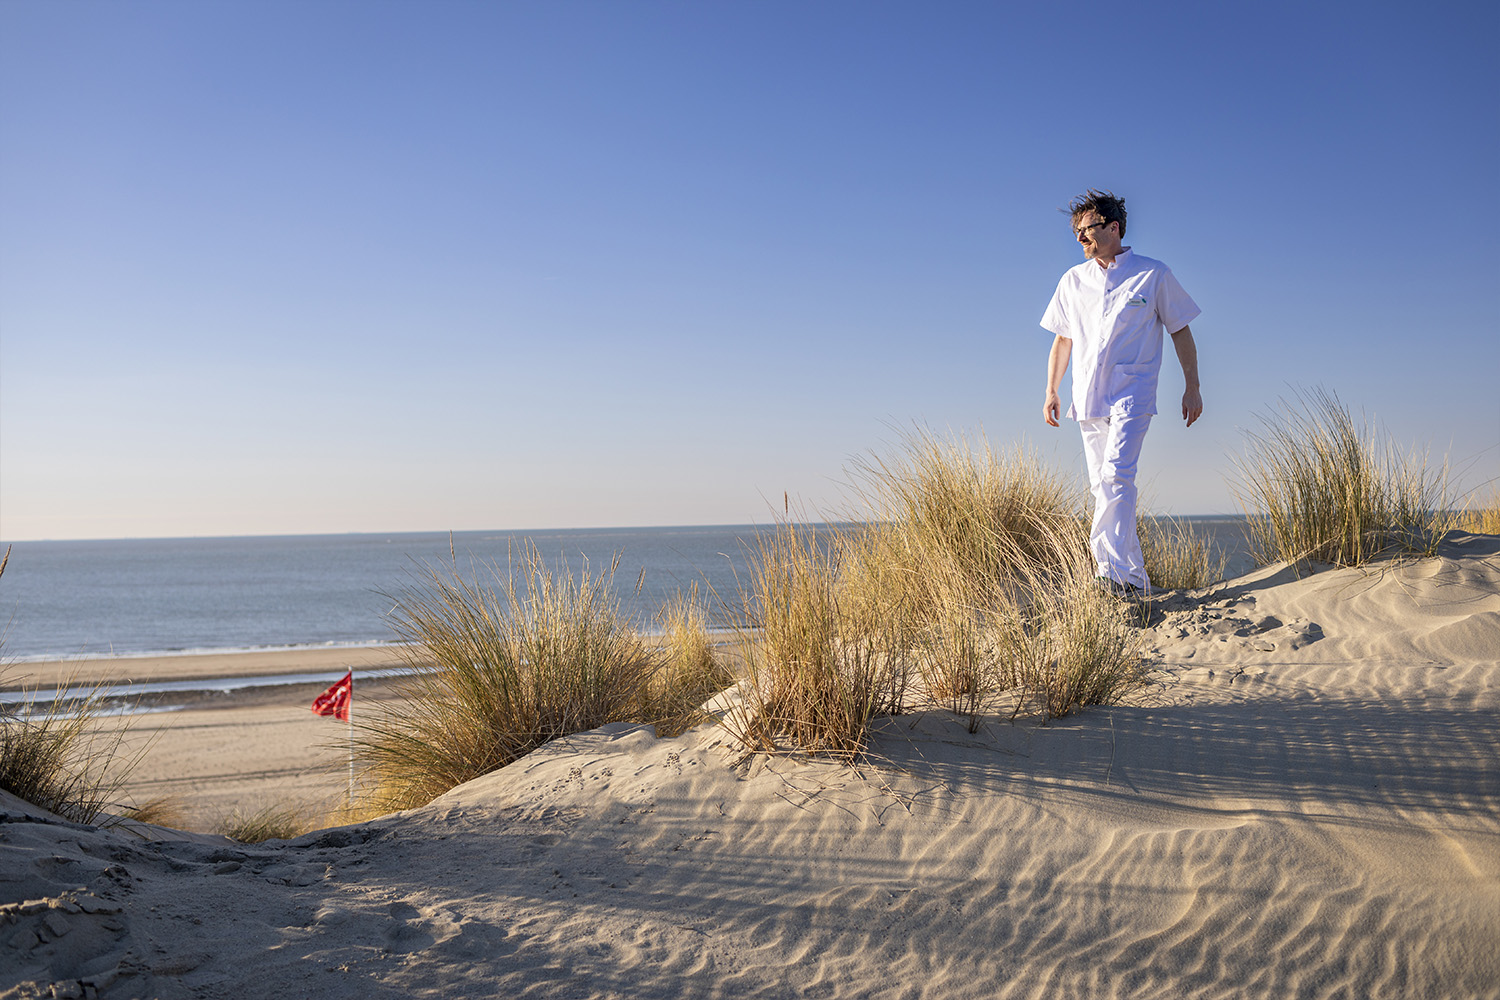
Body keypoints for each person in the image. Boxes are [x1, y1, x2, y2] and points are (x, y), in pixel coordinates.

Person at [1040, 190, 1202, 596]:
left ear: (1113, 227)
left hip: (1133, 392)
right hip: (1087, 395)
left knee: (1116, 476)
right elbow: (1063, 340)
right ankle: (1134, 578)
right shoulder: (1072, 281)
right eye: (1076, 233)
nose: (1080, 239)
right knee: (1103, 486)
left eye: (1087, 230)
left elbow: (1180, 328)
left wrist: (1192, 386)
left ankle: (1107, 573)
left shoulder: (1153, 274)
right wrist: (1051, 390)